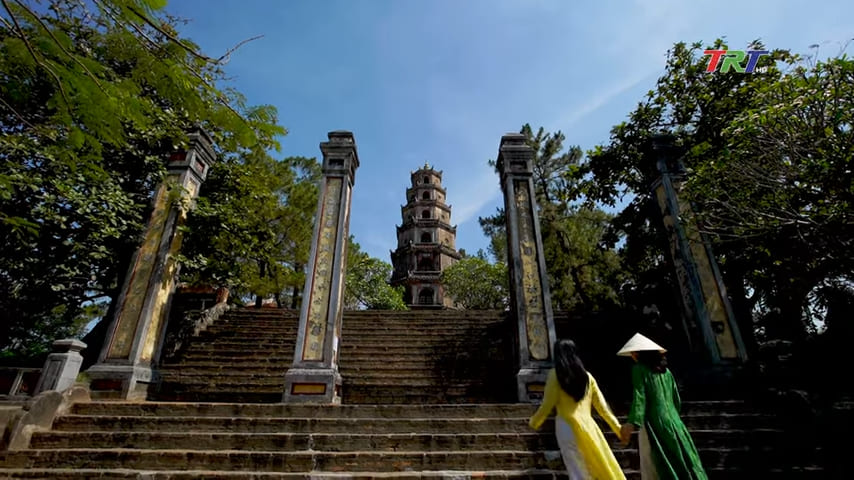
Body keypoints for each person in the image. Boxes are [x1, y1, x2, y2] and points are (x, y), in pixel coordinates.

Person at [529, 339, 625, 480]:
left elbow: (547, 404)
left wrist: (534, 421)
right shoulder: (588, 377)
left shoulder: (555, 375)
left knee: (576, 469)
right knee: (592, 467)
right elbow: (603, 408)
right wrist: (618, 428)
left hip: (566, 426)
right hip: (589, 427)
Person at [617, 333, 708, 480]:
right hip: (675, 422)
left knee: (654, 462)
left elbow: (640, 397)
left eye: (633, 353)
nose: (632, 356)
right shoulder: (667, 372)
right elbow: (676, 400)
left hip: (654, 422)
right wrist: (673, 418)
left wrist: (632, 422)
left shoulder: (639, 369)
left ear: (639, 354)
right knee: (684, 460)